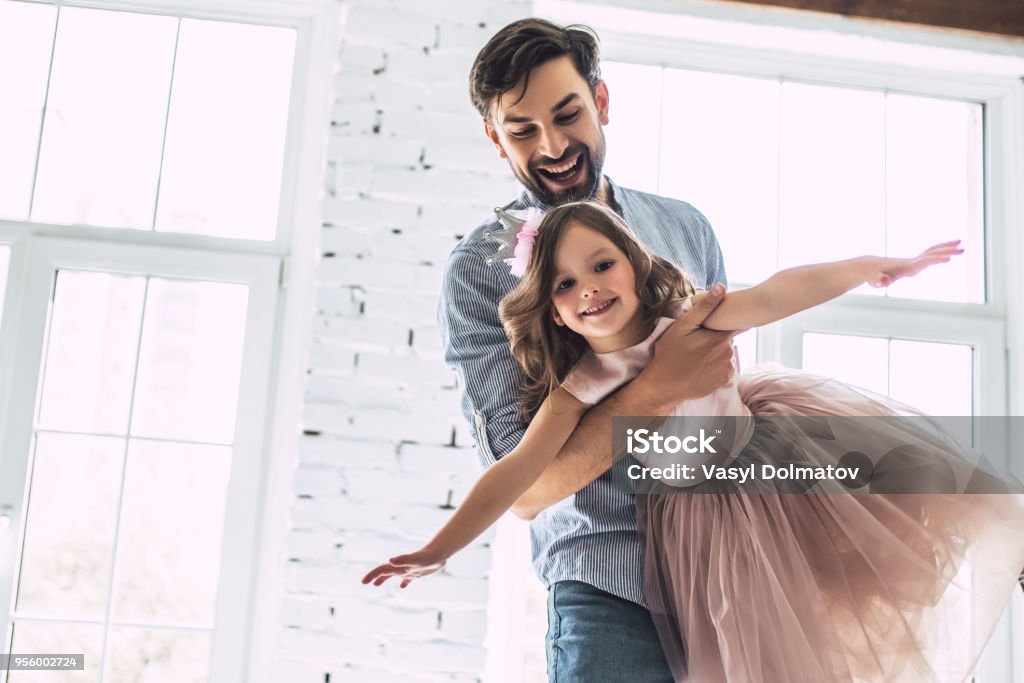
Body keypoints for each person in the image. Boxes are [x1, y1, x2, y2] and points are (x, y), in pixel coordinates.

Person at [364, 201, 1024, 682]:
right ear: (552, 307)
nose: (589, 287)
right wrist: (437, 548)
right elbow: (515, 473)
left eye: (601, 264)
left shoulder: (687, 319)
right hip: (706, 513)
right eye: (566, 283)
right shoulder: (584, 385)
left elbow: (771, 295)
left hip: (766, 452)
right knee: (769, 644)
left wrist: (865, 268)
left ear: (633, 261)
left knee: (908, 476)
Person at [435, 18, 735, 681]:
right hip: (611, 592)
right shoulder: (479, 272)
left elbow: (725, 407)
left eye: (568, 114)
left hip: (724, 577)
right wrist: (655, 391)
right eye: (522, 130)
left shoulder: (685, 227)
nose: (552, 145)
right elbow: (527, 488)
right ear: (495, 138)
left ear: (601, 102)